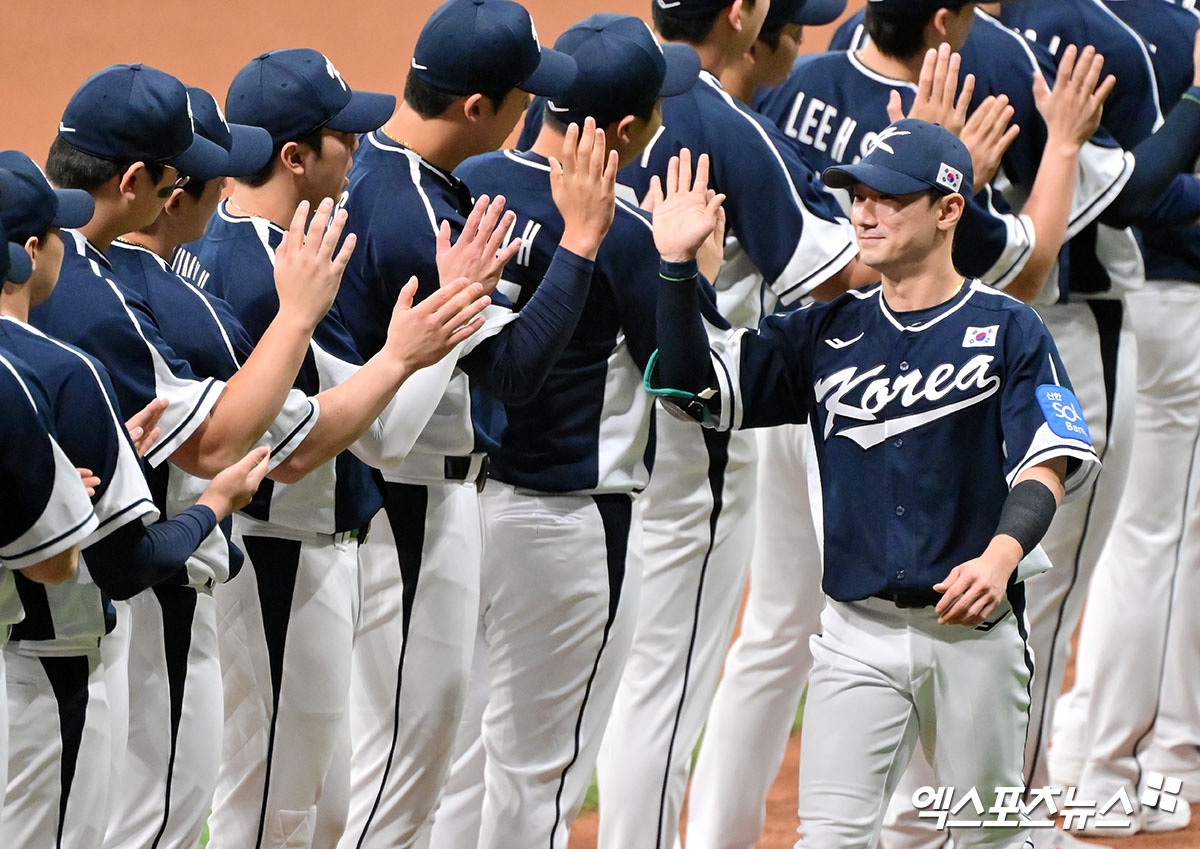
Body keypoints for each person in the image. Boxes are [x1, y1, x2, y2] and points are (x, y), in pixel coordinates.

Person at [647, 121, 1099, 849]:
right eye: (858, 196)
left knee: (987, 838)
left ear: (948, 210)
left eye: (888, 197)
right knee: (829, 839)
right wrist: (676, 271)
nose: (864, 212)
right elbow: (691, 388)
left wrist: (1001, 555)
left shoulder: (1009, 327)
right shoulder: (821, 331)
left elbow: (1049, 460)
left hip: (973, 636)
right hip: (855, 636)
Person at [332, 2, 630, 847]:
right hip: (409, 506)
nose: (534, 112)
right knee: (399, 785)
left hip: (399, 500)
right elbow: (516, 371)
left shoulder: (380, 167)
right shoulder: (416, 214)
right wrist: (581, 241)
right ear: (476, 108)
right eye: (523, 95)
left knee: (406, 774)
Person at [427, 15, 724, 849]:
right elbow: (689, 386)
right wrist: (690, 272)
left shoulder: (469, 181)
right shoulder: (627, 236)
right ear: (625, 130)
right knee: (539, 777)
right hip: (570, 533)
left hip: (460, 513)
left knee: (458, 767)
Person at [189, 48, 490, 849]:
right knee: (274, 812)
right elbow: (384, 436)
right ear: (294, 156)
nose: (359, 148)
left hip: (288, 550)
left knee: (316, 809)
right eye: (342, 136)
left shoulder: (218, 237)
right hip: (281, 556)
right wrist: (446, 321)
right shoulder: (274, 272)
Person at [0, 149, 275, 848]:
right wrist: (215, 503)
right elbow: (98, 565)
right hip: (52, 673)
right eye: (55, 233)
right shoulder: (60, 375)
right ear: (28, 254)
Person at [1045, 0, 1200, 833]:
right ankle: (1129, 765)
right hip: (1161, 307)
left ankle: (1087, 744)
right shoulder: (1164, 34)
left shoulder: (1044, 23)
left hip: (1093, 309)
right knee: (1156, 541)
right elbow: (1144, 192)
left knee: (1118, 540)